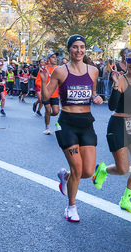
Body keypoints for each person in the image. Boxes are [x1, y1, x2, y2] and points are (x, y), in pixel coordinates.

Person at [40, 34, 103, 222]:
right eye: (75, 47)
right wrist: (44, 80)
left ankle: (64, 176)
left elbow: (92, 93)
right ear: (69, 49)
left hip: (86, 123)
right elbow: (46, 97)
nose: (79, 50)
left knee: (88, 171)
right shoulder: (60, 71)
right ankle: (71, 207)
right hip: (66, 123)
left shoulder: (93, 71)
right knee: (77, 167)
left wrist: (96, 98)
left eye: (82, 47)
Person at [92, 48, 131, 213]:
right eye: (129, 60)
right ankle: (102, 170)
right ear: (125, 61)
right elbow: (111, 106)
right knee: (122, 168)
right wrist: (116, 86)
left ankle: (126, 200)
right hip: (118, 123)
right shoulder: (121, 80)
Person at [42, 53, 60, 135]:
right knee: (48, 109)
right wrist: (44, 85)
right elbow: (38, 81)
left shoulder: (58, 69)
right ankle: (47, 127)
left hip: (55, 94)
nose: (55, 59)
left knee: (56, 112)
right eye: (53, 57)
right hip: (46, 94)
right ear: (48, 59)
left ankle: (47, 116)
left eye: (55, 57)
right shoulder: (44, 69)